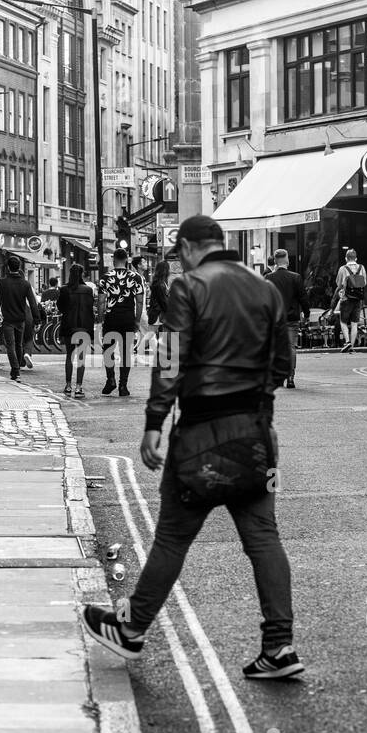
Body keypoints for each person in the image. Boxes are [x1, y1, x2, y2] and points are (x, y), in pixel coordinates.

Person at [82, 216, 300, 680]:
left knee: (173, 537)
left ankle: (133, 628)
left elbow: (170, 359)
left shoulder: (189, 288)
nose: (177, 261)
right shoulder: (266, 290)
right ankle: (279, 647)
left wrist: (154, 423)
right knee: (263, 537)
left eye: (179, 253)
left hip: (201, 436)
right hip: (258, 435)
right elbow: (283, 362)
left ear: (188, 247)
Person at [98, 248, 144, 396]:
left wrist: (100, 319)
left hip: (111, 318)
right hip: (128, 318)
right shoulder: (136, 277)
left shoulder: (105, 277)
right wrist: (137, 321)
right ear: (127, 260)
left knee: (107, 350)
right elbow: (140, 301)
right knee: (126, 353)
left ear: (113, 260)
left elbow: (100, 301)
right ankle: (123, 386)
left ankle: (110, 379)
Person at [266, 249, 308, 389]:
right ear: (287, 260)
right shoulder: (295, 277)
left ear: (276, 261)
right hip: (291, 318)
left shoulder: (269, 278)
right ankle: (290, 377)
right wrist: (307, 314)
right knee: (291, 347)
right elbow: (303, 298)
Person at [0, 255, 40, 382]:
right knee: (19, 345)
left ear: (8, 267)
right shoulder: (25, 284)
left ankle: (15, 370)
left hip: (7, 318)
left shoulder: (2, 283)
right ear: (19, 267)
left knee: (10, 345)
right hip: (21, 319)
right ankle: (17, 369)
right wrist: (37, 320)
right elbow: (32, 303)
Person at [57, 264, 95, 398]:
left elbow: (60, 308)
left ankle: (68, 385)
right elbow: (90, 310)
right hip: (84, 326)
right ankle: (79, 387)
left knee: (69, 356)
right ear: (81, 274)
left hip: (69, 326)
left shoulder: (64, 289)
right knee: (81, 358)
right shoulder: (88, 290)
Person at [332, 248, 367, 352]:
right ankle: (352, 346)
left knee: (343, 321)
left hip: (346, 299)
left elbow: (338, 283)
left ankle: (347, 342)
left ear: (346, 258)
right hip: (357, 299)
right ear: (356, 258)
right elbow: (364, 283)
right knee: (354, 323)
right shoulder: (362, 267)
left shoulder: (343, 268)